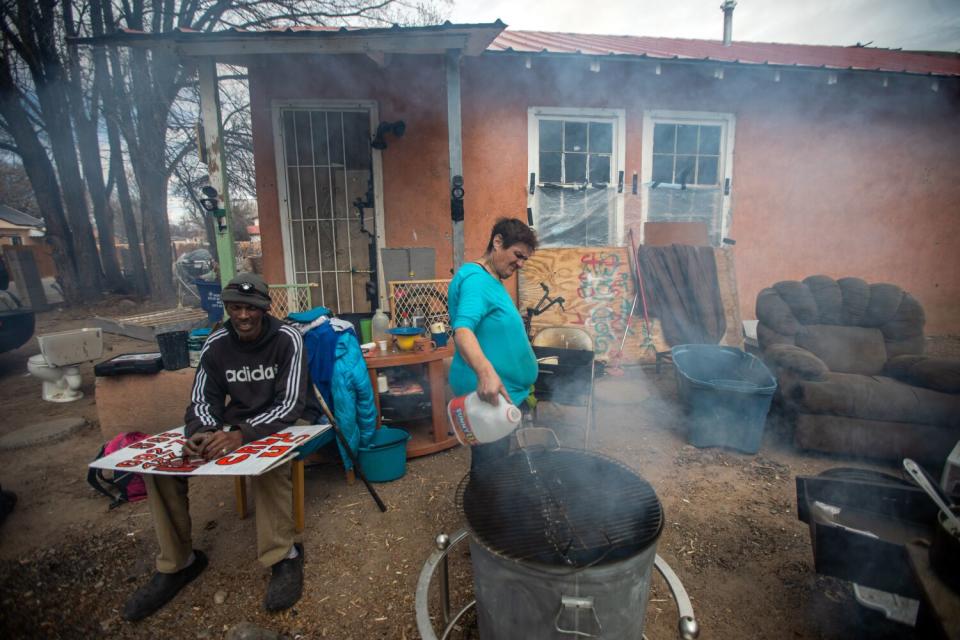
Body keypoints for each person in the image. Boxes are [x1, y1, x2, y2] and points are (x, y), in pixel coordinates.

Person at [123, 273, 309, 621]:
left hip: (278, 424)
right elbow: (201, 400)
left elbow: (291, 403)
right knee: (161, 469)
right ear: (226, 309)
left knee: (269, 464)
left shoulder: (288, 339)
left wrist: (242, 433)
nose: (243, 316)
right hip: (230, 427)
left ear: (265, 308)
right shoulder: (216, 343)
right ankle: (178, 563)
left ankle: (283, 556)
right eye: (235, 308)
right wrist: (201, 430)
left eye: (251, 308)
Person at [447, 217, 539, 470]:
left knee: (496, 464)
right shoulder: (476, 280)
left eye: (525, 260)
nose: (520, 264)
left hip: (505, 391)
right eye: (517, 255)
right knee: (491, 469)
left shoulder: (492, 280)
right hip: (489, 393)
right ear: (497, 242)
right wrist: (486, 372)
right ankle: (486, 508)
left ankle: (490, 503)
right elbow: (463, 329)